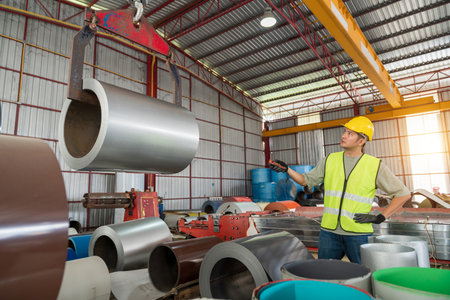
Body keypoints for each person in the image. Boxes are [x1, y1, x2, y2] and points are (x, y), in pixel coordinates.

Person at [269, 116, 411, 263]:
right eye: (345, 131)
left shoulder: (375, 166)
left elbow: (403, 194)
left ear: (361, 141)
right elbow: (306, 180)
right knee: (325, 274)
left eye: (350, 133)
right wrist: (287, 169)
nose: (343, 136)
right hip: (329, 233)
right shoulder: (330, 159)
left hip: (358, 233)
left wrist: (381, 216)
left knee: (362, 275)